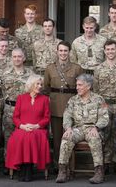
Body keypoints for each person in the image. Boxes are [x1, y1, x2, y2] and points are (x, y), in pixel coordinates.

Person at [55, 74, 109, 184]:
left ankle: (99, 172)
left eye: (80, 85)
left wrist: (96, 127)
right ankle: (63, 171)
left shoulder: (99, 99)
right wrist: (68, 128)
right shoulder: (73, 100)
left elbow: (104, 117)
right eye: (77, 85)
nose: (77, 87)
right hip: (77, 129)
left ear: (88, 86)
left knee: (94, 138)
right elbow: (67, 116)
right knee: (66, 138)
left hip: (92, 128)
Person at [44, 41, 83, 169]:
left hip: (71, 106)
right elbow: (46, 88)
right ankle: (57, 165)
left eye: (65, 51)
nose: (63, 53)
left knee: (70, 137)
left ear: (69, 52)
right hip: (55, 106)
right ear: (57, 51)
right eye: (60, 50)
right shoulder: (50, 68)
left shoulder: (77, 68)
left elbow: (81, 89)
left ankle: (70, 165)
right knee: (56, 139)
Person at [5, 74, 51, 182]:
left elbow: (46, 117)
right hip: (22, 128)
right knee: (21, 136)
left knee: (30, 136)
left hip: (38, 130)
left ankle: (28, 169)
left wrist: (36, 126)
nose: (40, 86)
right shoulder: (21, 98)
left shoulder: (44, 99)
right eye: (37, 84)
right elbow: (15, 117)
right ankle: (24, 169)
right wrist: (23, 126)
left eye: (41, 84)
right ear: (31, 85)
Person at [93, 40, 116, 174]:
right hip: (104, 104)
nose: (110, 52)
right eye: (108, 49)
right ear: (104, 51)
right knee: (105, 133)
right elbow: (95, 90)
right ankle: (106, 162)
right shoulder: (99, 69)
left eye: (112, 49)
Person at [0, 48, 35, 173]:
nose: (17, 59)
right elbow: (0, 91)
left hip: (25, 110)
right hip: (10, 108)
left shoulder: (31, 73)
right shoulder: (5, 73)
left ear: (24, 58)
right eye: (14, 56)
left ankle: (23, 164)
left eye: (19, 56)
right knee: (9, 137)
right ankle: (8, 163)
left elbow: (34, 91)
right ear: (11, 58)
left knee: (24, 138)